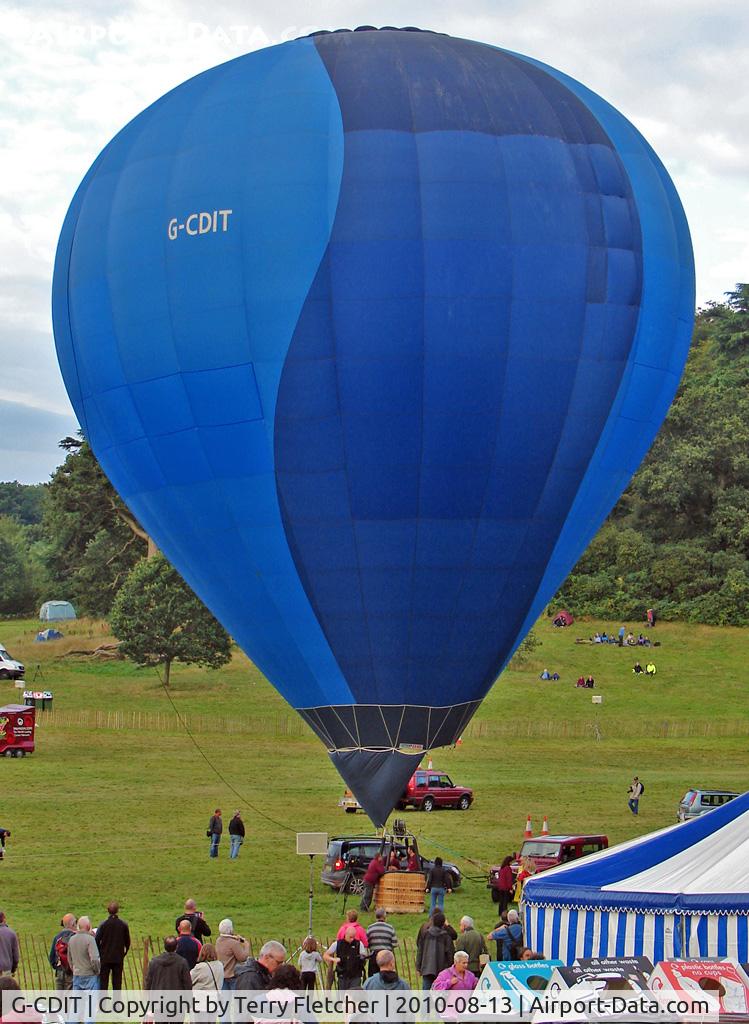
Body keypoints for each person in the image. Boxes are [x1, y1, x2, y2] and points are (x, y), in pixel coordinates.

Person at [95, 902, 130, 992]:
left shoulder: (103, 925)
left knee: (103, 983)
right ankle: (117, 1005)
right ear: (118, 910)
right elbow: (127, 942)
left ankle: (103, 1004)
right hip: (118, 958)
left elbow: (97, 940)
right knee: (117, 984)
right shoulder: (123, 925)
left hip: (105, 958)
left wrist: (100, 952)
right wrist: (123, 953)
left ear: (108, 911)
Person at [416, 911, 453, 991]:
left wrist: (418, 967)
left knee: (426, 995)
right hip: (442, 970)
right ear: (443, 923)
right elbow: (450, 955)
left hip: (427, 968)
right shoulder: (446, 936)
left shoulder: (425, 934)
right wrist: (451, 969)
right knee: (440, 994)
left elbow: (420, 951)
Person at [323, 926, 366, 990]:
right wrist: (334, 959)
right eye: (350, 937)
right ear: (346, 934)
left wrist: (362, 959)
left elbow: (364, 956)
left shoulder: (359, 944)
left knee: (356, 997)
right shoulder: (337, 944)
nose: (352, 939)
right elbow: (325, 955)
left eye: (353, 937)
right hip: (342, 976)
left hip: (356, 976)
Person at [215, 918, 249, 990]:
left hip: (222, 975)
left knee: (225, 1000)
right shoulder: (233, 943)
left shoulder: (218, 941)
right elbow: (242, 958)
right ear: (230, 929)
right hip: (232, 976)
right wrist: (246, 945)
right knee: (235, 999)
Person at [67, 917, 100, 991]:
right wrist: (97, 971)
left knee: (77, 1001)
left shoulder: (72, 939)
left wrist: (74, 969)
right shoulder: (90, 939)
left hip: (77, 974)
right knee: (91, 1001)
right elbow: (94, 959)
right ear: (88, 926)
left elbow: (69, 959)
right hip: (90, 975)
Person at [365, 909, 398, 977]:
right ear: (384, 916)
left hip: (374, 956)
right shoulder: (390, 928)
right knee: (386, 977)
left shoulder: (370, 928)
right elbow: (394, 943)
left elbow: (366, 943)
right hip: (386, 955)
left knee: (373, 977)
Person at [49, 914, 77, 990]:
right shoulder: (75, 937)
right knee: (70, 998)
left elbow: (51, 957)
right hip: (71, 972)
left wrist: (57, 967)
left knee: (60, 998)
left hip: (59, 971)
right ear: (73, 924)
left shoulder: (57, 937)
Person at [0, 911, 19, 978]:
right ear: (4, 919)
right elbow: (16, 957)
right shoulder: (11, 933)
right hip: (6, 969)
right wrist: (13, 970)